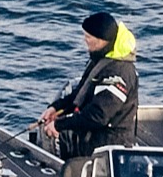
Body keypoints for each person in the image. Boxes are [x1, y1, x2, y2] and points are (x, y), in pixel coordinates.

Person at [41, 12, 141, 159]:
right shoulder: (101, 59)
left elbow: (98, 115)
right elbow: (81, 93)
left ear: (102, 40)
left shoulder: (118, 73)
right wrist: (56, 108)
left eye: (88, 37)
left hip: (108, 148)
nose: (85, 41)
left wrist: (59, 125)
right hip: (90, 142)